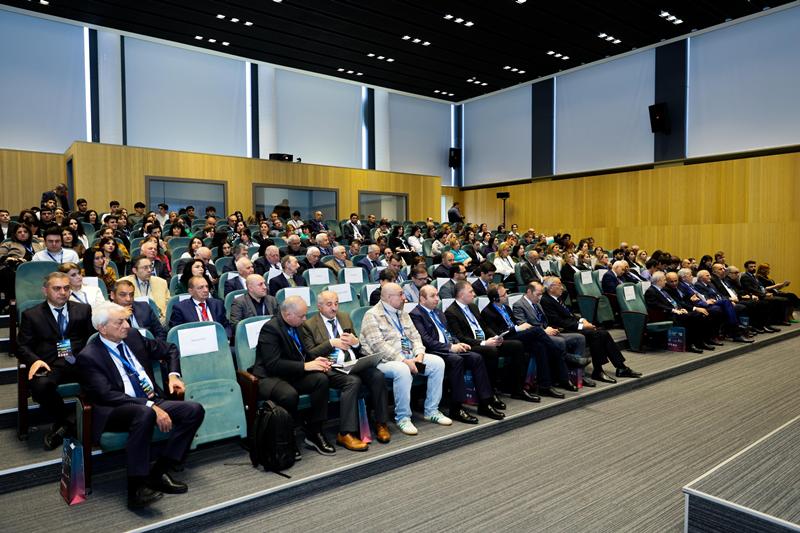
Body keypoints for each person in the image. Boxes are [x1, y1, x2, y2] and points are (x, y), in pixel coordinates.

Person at [76, 301, 204, 509]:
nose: (127, 326)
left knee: (194, 410)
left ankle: (159, 471)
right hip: (116, 409)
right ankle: (136, 488)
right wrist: (149, 405)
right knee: (144, 413)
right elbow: (107, 395)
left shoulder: (133, 336)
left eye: (126, 320)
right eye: (120, 322)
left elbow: (170, 349)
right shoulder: (89, 356)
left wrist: (173, 375)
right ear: (102, 328)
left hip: (151, 399)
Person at [300, 290, 391, 450]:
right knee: (353, 382)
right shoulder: (309, 325)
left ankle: (381, 422)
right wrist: (331, 343)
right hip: (330, 367)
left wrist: (355, 343)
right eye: (329, 304)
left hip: (351, 362)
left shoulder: (344, 317)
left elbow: (357, 346)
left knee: (377, 375)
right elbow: (310, 354)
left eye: (336, 303)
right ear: (319, 306)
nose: (334, 308)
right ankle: (346, 433)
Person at [359, 283, 451, 435]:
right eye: (401, 294)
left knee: (437, 363)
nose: (405, 298)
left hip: (409, 357)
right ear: (389, 297)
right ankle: (403, 417)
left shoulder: (403, 313)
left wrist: (419, 355)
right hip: (384, 361)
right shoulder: (372, 315)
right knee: (402, 370)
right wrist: (404, 361)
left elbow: (415, 337)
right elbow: (378, 346)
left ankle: (431, 410)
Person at [18, 272, 95, 449]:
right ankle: (69, 421)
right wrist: (34, 360)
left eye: (66, 288)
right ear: (45, 290)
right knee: (40, 386)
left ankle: (65, 427)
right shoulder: (32, 315)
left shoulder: (83, 309)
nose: (63, 292)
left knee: (105, 377)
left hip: (79, 361)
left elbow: (91, 338)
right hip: (50, 364)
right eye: (57, 288)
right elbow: (22, 346)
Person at [252, 296, 336, 456]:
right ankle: (287, 438)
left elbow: (302, 352)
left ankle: (315, 431)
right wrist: (305, 366)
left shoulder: (297, 324)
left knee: (321, 380)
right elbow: (273, 364)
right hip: (270, 377)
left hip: (292, 373)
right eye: (301, 316)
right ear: (287, 314)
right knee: (289, 395)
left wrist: (315, 360)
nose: (305, 319)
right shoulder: (270, 329)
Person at [410, 285, 505, 423]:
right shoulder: (416, 314)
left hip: (449, 348)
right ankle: (456, 408)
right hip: (435, 351)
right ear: (422, 299)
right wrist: (450, 347)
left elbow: (449, 333)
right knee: (456, 360)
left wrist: (458, 343)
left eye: (437, 295)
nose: (437, 299)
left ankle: (485, 403)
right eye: (433, 296)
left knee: (476, 358)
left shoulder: (438, 312)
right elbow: (426, 341)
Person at [445, 280, 541, 401]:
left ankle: (518, 389)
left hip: (485, 341)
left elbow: (484, 327)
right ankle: (491, 392)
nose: (474, 294)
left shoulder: (473, 307)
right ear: (461, 294)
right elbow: (461, 337)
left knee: (517, 345)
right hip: (471, 345)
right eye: (470, 291)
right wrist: (484, 343)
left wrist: (495, 337)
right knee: (491, 351)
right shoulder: (451, 312)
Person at [540, 277, 641, 382]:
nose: (562, 287)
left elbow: (570, 315)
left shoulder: (557, 297)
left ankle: (621, 367)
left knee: (603, 333)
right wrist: (582, 326)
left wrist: (582, 320)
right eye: (559, 284)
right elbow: (558, 322)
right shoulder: (546, 300)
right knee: (595, 335)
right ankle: (598, 370)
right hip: (563, 330)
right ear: (551, 288)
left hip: (572, 326)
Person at [645, 271, 713, 354]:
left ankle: (700, 342)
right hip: (664, 314)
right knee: (692, 317)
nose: (665, 282)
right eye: (664, 280)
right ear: (659, 281)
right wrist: (673, 310)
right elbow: (655, 305)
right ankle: (689, 344)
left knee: (699, 315)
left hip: (675, 311)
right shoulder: (651, 291)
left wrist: (680, 308)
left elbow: (673, 301)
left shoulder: (662, 290)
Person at [119, 255, 171, 322]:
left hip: (160, 320)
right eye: (145, 268)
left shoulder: (161, 282)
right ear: (135, 270)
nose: (149, 270)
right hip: (135, 321)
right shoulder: (122, 284)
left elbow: (168, 305)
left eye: (150, 267)